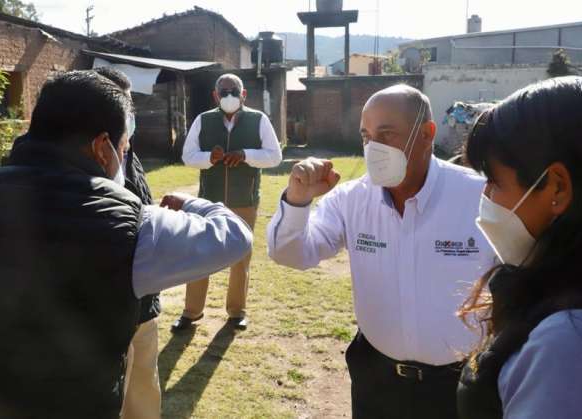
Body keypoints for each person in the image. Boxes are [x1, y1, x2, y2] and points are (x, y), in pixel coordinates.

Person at [0, 70, 253, 419]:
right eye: (124, 146)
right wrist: (194, 203)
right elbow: (234, 236)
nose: (125, 155)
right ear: (102, 147)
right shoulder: (134, 227)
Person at [267, 84, 496, 419]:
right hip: (377, 379)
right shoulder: (351, 199)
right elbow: (291, 253)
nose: (373, 148)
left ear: (427, 134)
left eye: (386, 134)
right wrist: (298, 200)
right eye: (366, 136)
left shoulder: (479, 195)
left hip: (461, 384)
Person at [457, 76, 582, 419]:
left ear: (557, 188)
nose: (486, 198)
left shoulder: (570, 342)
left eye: (493, 182)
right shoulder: (570, 287)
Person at [175, 73, 282, 331]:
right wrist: (209, 158)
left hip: (244, 198)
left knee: (241, 256)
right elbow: (188, 156)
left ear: (243, 95)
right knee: (200, 254)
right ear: (215, 96)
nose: (229, 96)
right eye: (223, 92)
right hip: (208, 201)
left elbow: (274, 156)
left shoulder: (259, 120)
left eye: (234, 91)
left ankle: (237, 312)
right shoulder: (204, 120)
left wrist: (245, 155)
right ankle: (191, 312)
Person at [92, 66, 162, 419]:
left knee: (144, 390)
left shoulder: (129, 154)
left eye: (130, 103)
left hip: (143, 303)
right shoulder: (85, 162)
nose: (129, 113)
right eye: (123, 103)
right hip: (106, 310)